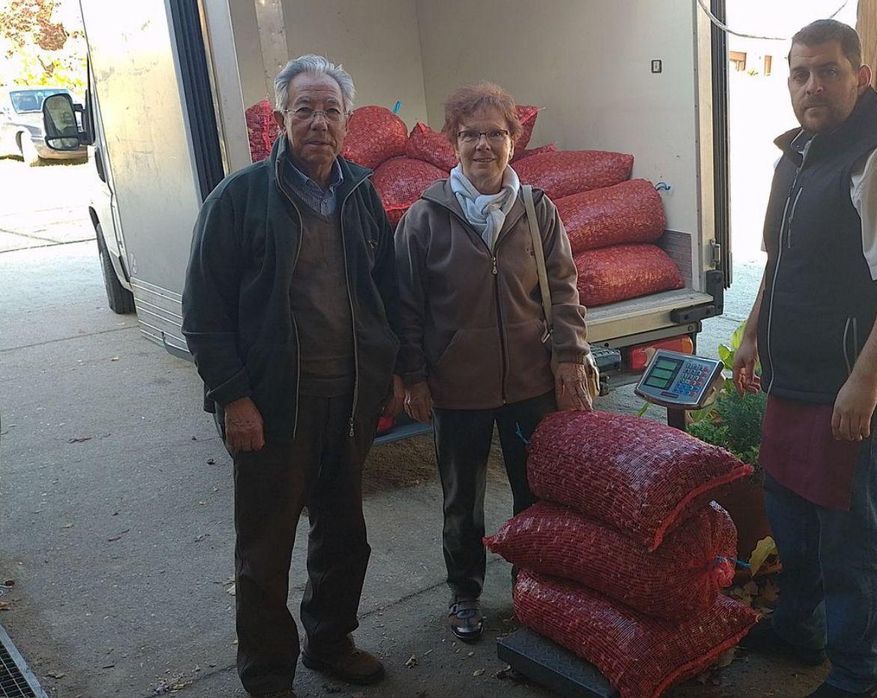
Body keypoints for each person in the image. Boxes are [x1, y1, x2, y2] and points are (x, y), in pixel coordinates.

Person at [182, 54, 404, 698]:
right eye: (303, 109)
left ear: (348, 121)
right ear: (280, 118)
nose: (318, 122)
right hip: (275, 405)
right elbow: (205, 311)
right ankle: (268, 672)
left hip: (350, 400)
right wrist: (233, 398)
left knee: (344, 536)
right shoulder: (241, 198)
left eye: (331, 110)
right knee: (265, 550)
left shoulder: (362, 195)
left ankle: (330, 641)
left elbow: (386, 292)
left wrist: (394, 370)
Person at [733, 20, 877, 698]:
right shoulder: (798, 154)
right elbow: (780, 258)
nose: (812, 85)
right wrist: (753, 330)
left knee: (850, 536)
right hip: (795, 376)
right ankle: (801, 629)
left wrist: (867, 380)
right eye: (799, 73)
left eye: (827, 70)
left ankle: (858, 674)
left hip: (853, 385)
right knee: (792, 517)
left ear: (861, 76)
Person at [394, 82, 593, 643]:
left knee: (535, 494)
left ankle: (537, 590)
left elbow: (564, 286)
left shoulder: (536, 209)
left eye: (496, 134)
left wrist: (570, 357)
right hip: (457, 388)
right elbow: (405, 305)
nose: (484, 145)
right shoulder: (424, 217)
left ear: (514, 140)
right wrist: (413, 376)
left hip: (531, 383)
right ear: (453, 142)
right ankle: (465, 593)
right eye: (470, 134)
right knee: (464, 501)